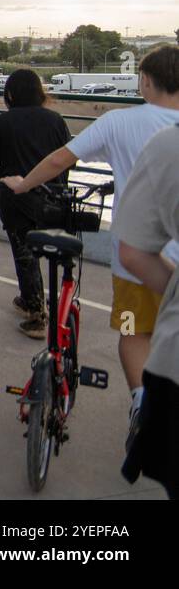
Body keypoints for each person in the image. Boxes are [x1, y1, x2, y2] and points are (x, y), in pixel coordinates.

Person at [0, 46, 179, 433]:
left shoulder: (119, 122)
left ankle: (143, 404)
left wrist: (22, 184)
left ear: (146, 80)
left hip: (140, 264)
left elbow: (60, 160)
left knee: (135, 334)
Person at [0, 69, 72, 340]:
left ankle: (37, 312)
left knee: (24, 252)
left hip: (15, 195)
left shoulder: (2, 123)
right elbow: (69, 158)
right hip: (52, 195)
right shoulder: (56, 120)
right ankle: (49, 302)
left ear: (9, 94)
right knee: (54, 252)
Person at [116, 124, 179, 498]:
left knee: (131, 334)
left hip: (130, 279)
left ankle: (139, 400)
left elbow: (133, 252)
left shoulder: (165, 142)